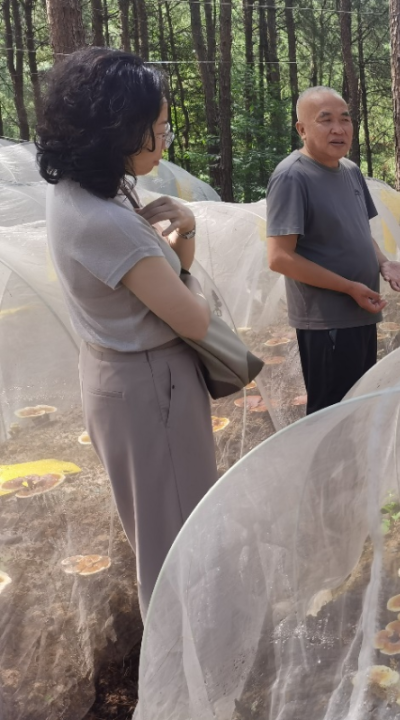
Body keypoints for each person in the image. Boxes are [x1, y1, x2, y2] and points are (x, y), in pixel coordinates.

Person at [38, 48, 216, 615]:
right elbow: (194, 319)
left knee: (158, 523)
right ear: (117, 129)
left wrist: (184, 230)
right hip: (151, 385)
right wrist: (191, 275)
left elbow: (160, 271)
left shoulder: (82, 190)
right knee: (177, 540)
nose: (164, 140)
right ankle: (184, 655)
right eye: (157, 128)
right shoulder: (106, 220)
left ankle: (181, 644)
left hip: (121, 375)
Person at [267, 87, 400, 415]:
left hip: (361, 311)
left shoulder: (349, 170)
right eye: (326, 120)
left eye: (345, 119)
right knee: (330, 414)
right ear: (302, 129)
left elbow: (359, 231)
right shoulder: (292, 177)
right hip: (327, 321)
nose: (338, 129)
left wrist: (383, 263)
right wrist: (349, 287)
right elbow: (279, 257)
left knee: (357, 404)